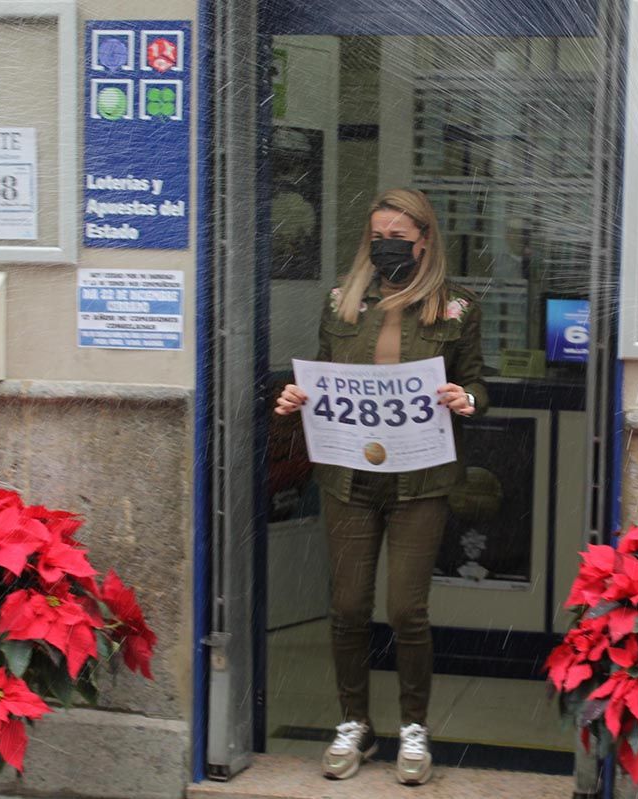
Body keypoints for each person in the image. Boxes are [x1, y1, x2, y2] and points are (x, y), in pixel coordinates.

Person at [275, 188, 488, 786]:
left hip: (421, 477)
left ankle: (414, 729)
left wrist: (463, 398)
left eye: (398, 237)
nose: (387, 247)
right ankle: (356, 724)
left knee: (405, 609)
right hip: (348, 472)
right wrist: (296, 398)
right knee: (346, 606)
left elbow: (477, 384)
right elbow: (321, 374)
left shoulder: (457, 308)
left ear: (424, 240)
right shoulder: (342, 302)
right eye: (378, 238)